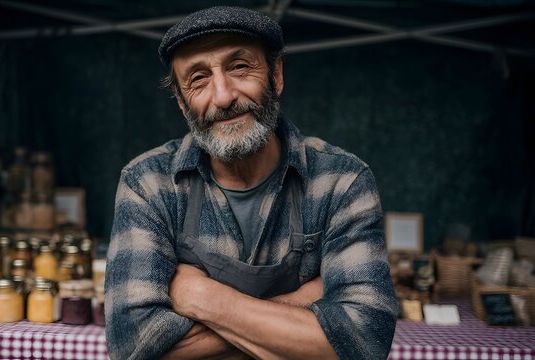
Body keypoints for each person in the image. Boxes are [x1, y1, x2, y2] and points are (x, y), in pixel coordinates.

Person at [105, 6, 397, 360]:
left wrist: (202, 298)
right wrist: (307, 301)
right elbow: (131, 345)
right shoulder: (148, 184)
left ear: (276, 76)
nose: (225, 96)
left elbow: (366, 342)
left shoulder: (343, 181)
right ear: (183, 105)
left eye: (239, 67)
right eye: (198, 79)